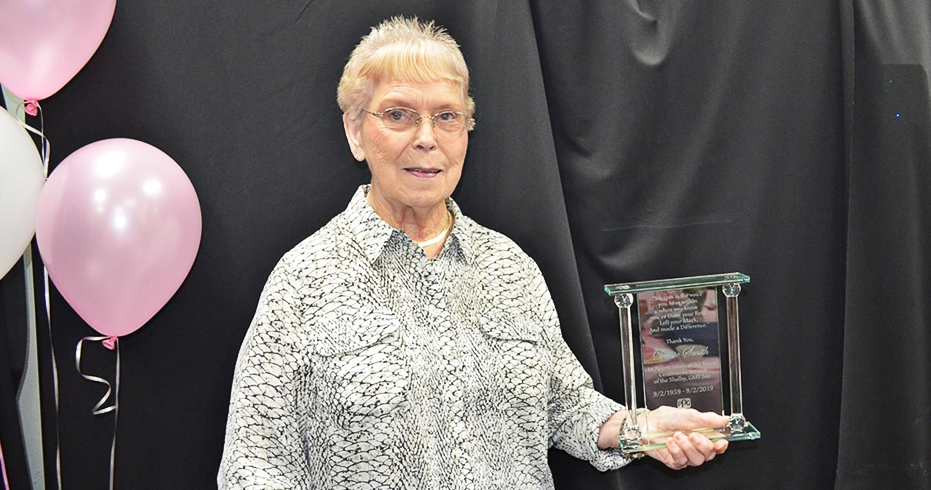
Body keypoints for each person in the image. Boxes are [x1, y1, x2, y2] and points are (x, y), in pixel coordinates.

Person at [218, 16, 728, 489]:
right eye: (399, 115)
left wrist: (645, 429)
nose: (426, 139)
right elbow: (253, 467)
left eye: (447, 116)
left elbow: (566, 406)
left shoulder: (510, 267)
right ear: (355, 130)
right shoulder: (304, 281)